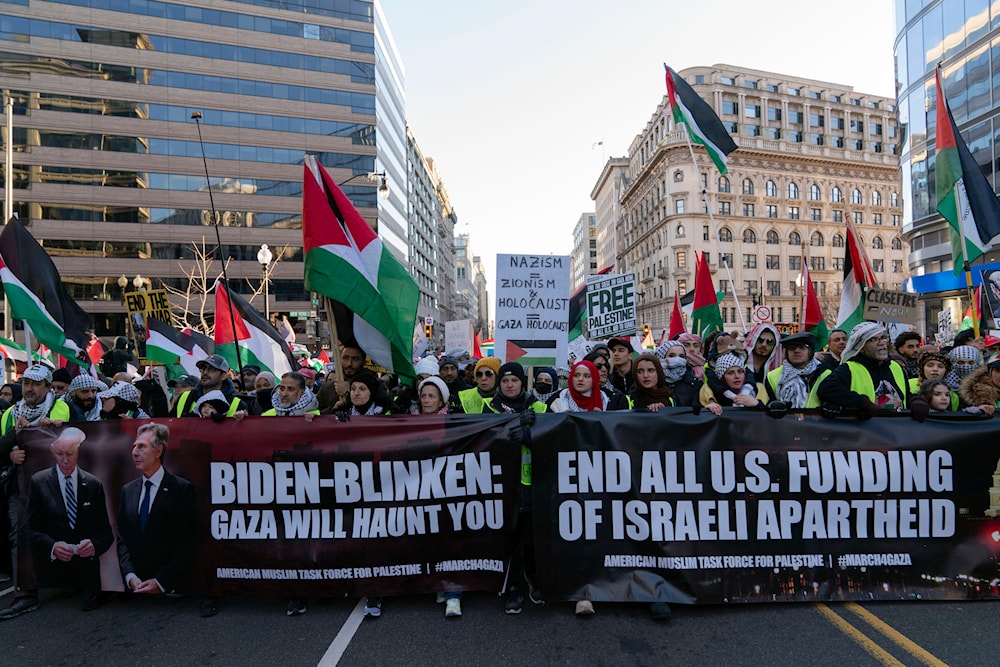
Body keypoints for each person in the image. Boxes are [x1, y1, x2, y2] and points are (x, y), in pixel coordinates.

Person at [22, 427, 114, 614]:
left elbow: (106, 533)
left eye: (70, 454)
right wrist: (52, 547)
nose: (65, 460)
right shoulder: (39, 482)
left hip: (87, 573)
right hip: (51, 572)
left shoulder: (93, 484)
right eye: (59, 454)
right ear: (52, 452)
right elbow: (28, 530)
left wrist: (93, 546)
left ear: (79, 451)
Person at [481, 362, 546, 617]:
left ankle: (534, 578)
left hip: (532, 484)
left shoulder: (540, 408)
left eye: (515, 381)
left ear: (522, 383)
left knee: (530, 539)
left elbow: (554, 439)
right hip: (502, 486)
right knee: (510, 539)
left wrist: (530, 435)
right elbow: (487, 441)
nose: (510, 385)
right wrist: (516, 423)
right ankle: (514, 586)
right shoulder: (488, 408)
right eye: (505, 381)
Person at [116, 423, 196, 600]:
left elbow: (188, 543)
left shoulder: (181, 489)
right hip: (134, 592)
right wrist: (130, 576)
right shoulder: (128, 491)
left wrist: (160, 582)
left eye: (142, 446)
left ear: (158, 451)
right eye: (134, 446)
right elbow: (122, 539)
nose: (134, 452)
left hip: (171, 594)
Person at [815, 322, 927, 420]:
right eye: (873, 339)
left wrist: (916, 401)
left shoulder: (895, 367)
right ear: (861, 347)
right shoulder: (849, 368)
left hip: (897, 434)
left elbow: (905, 395)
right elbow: (826, 389)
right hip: (867, 437)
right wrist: (862, 402)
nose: (881, 343)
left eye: (883, 338)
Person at [763, 332, 822, 409]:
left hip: (814, 420)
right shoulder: (772, 376)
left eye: (802, 347)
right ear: (786, 352)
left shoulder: (825, 373)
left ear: (810, 351)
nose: (797, 350)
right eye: (791, 347)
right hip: (786, 420)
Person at [174, 355, 245, 417]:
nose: (205, 372)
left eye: (211, 369)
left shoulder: (237, 404)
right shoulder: (185, 397)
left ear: (223, 376)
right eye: (203, 368)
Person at [654, 341, 700, 408]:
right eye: (671, 356)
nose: (677, 359)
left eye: (681, 356)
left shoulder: (694, 383)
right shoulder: (653, 382)